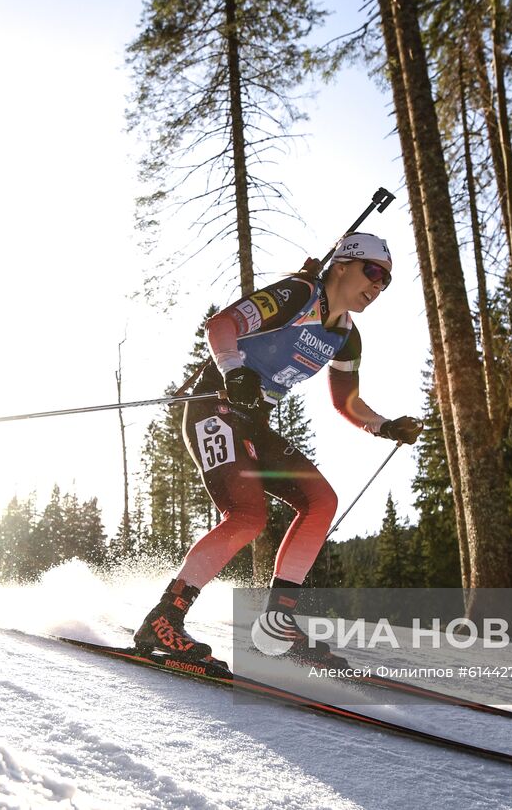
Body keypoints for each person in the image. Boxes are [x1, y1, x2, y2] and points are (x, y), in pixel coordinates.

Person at [134, 233, 423, 666]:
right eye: (373, 272)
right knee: (248, 517)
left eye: (387, 281)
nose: (378, 286)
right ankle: (164, 619)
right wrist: (235, 371)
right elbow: (221, 326)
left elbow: (346, 402)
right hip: (215, 408)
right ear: (342, 264)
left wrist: (384, 426)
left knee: (320, 500)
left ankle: (278, 628)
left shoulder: (348, 336)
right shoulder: (298, 294)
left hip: (255, 422)